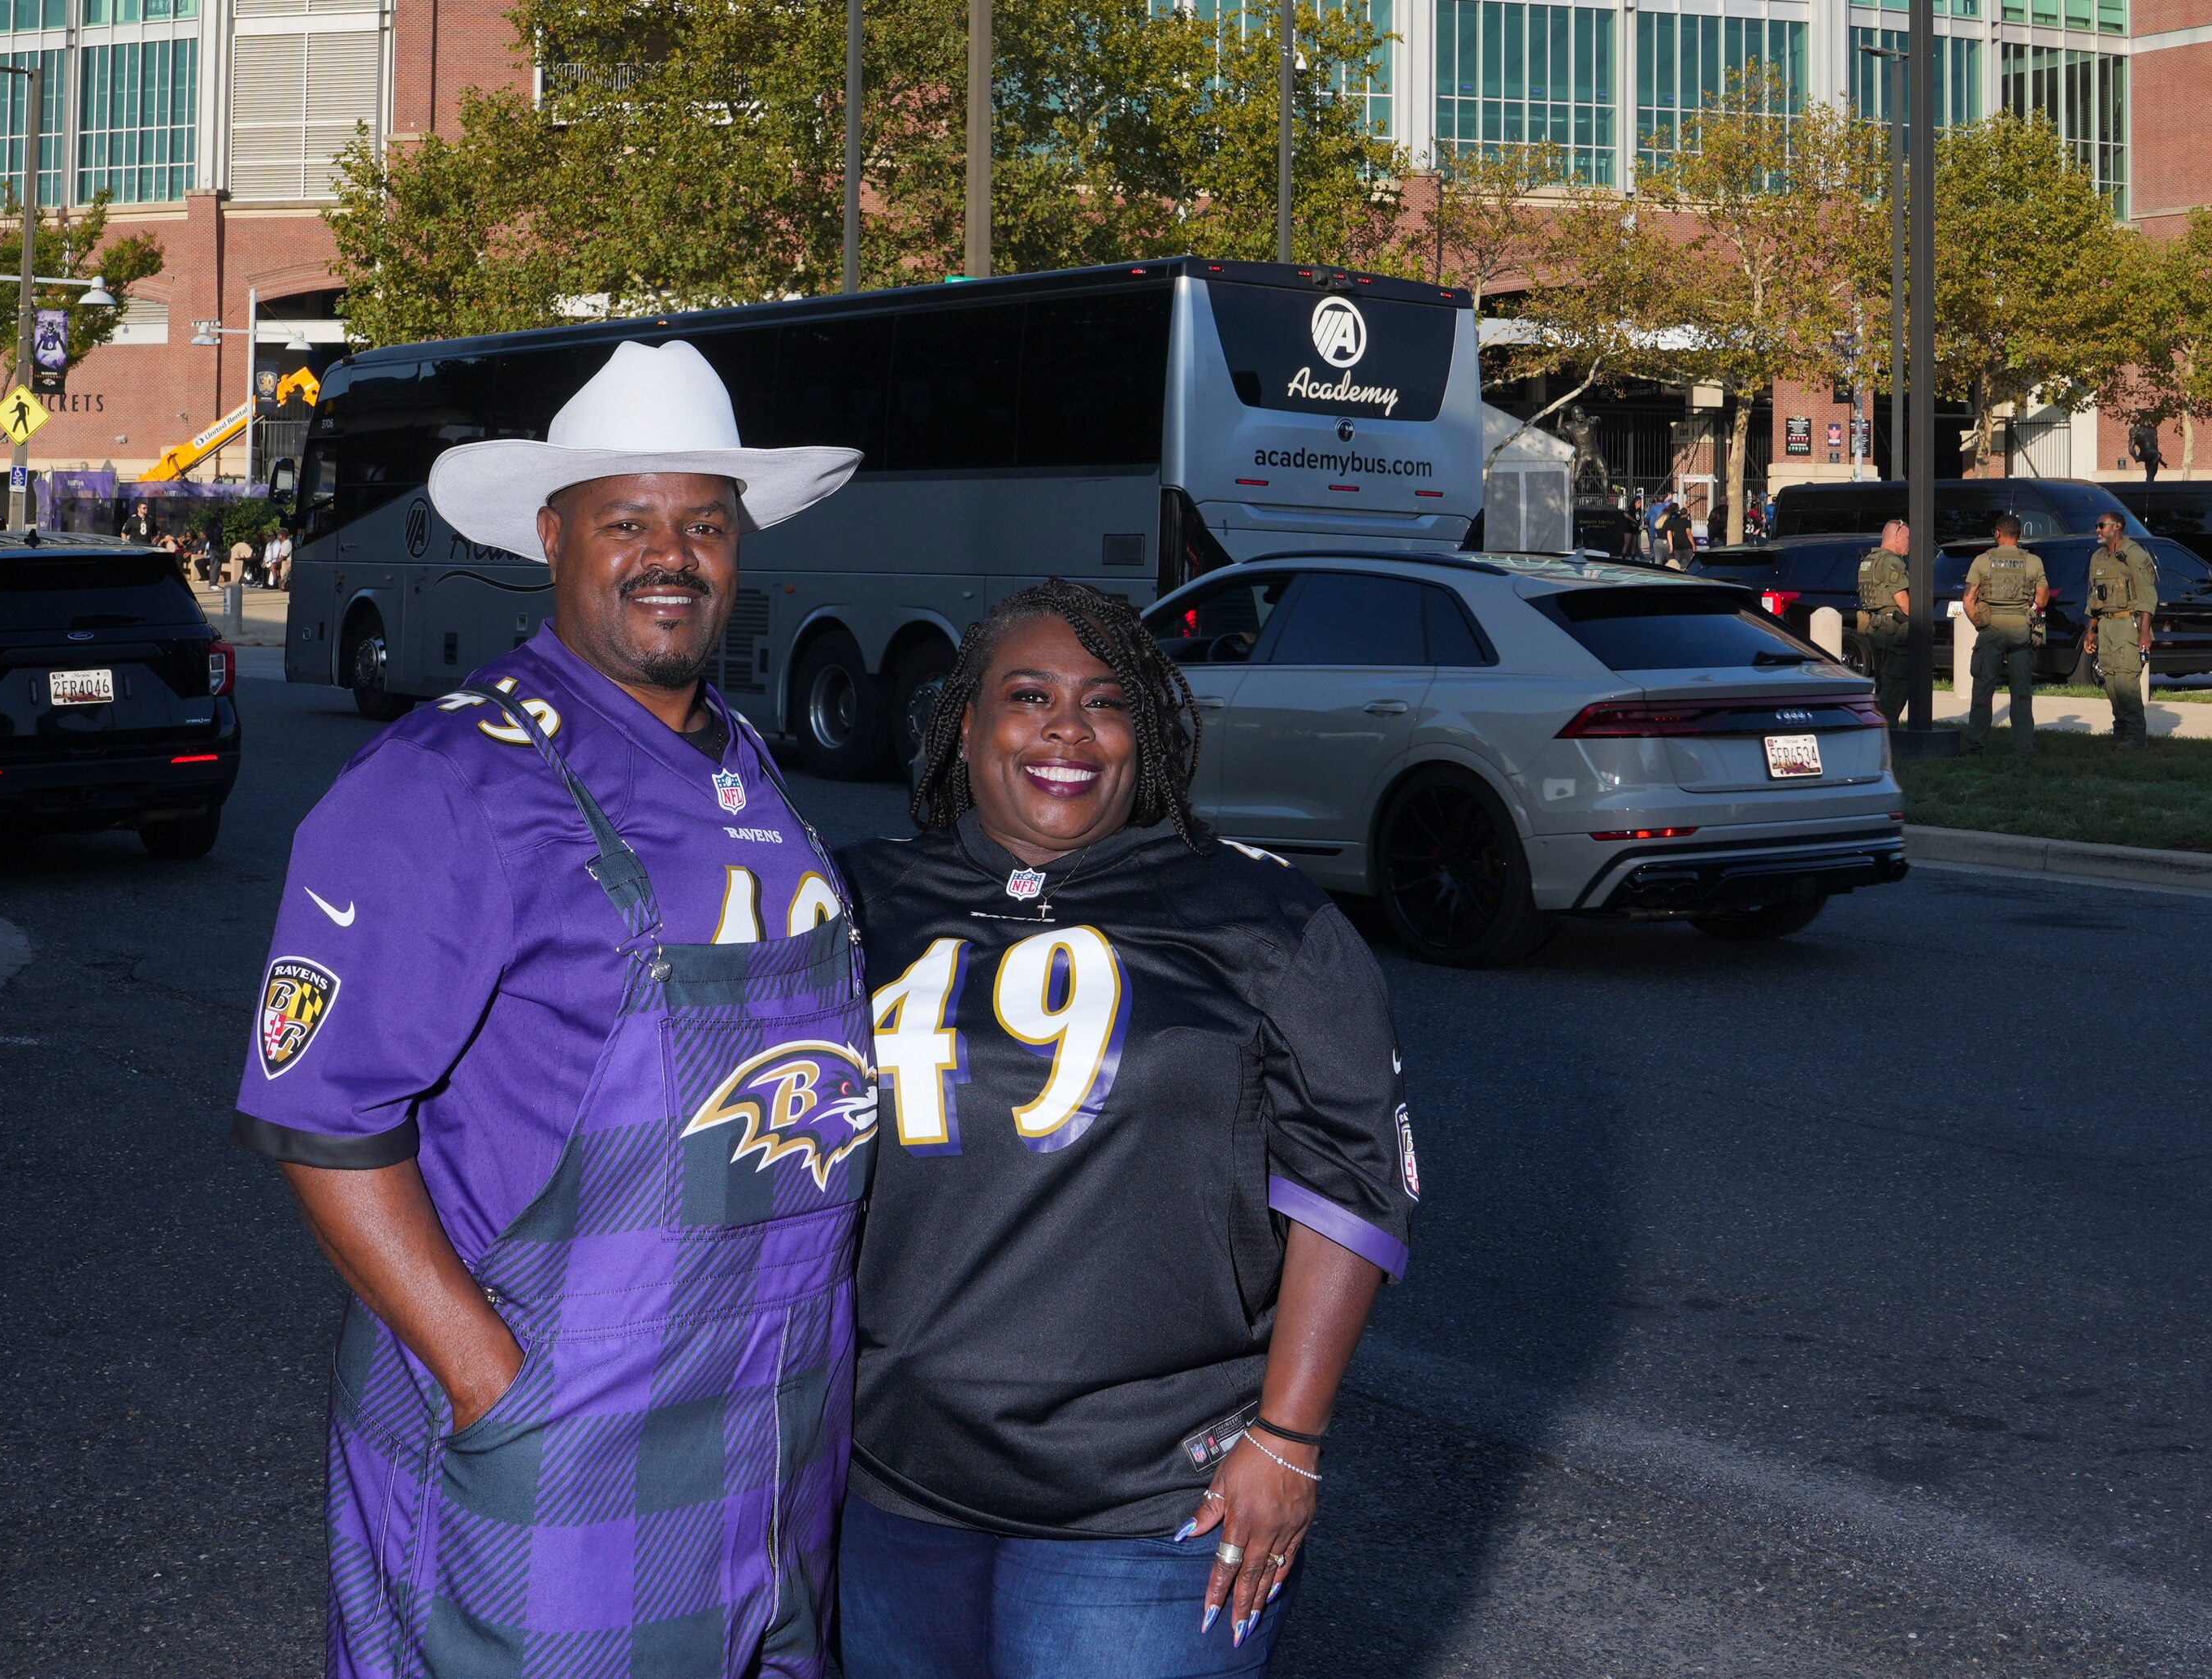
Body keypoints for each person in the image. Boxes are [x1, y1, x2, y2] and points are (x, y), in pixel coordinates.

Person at [231, 341, 871, 1678]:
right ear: (551, 535)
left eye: (702, 523)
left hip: (767, 1455)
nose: (670, 555)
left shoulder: (746, 767)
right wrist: (491, 1386)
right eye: (626, 521)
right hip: (555, 1463)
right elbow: (318, 1116)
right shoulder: (449, 778)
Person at [836, 579, 1412, 1677]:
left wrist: (1288, 1440)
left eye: (1107, 701)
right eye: (1029, 694)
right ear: (965, 723)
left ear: (1146, 734)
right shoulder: (862, 900)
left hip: (1151, 1502)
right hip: (893, 1481)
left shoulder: (1263, 916)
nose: (1068, 728)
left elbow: (1351, 1186)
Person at [1960, 513, 2052, 750]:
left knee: (1983, 689)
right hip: (2022, 630)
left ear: (1998, 533)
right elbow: (2042, 597)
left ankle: (1976, 744)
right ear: (2020, 535)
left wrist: (1980, 624)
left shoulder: (1982, 560)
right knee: (2021, 692)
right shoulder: (2033, 562)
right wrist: (2030, 610)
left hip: (1991, 630)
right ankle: (2024, 747)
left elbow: (1968, 600)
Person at [2083, 510, 2161, 744]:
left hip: (2129, 624)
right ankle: (2121, 733)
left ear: (2117, 527)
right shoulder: (2097, 558)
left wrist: (2144, 632)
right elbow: (2094, 597)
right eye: (2097, 526)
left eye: (2102, 525)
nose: (2098, 530)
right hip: (2106, 625)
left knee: (2126, 682)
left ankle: (2136, 737)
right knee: (2110, 681)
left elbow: (2148, 596)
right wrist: (2091, 630)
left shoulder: (2134, 555)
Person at [1854, 518, 1919, 739]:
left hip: (1875, 630)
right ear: (1897, 536)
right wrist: (1920, 621)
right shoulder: (1892, 561)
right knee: (1897, 682)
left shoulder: (1869, 560)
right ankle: (1887, 732)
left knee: (1882, 683)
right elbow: (1903, 601)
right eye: (1908, 538)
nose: (1910, 543)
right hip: (1894, 631)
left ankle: (1876, 730)